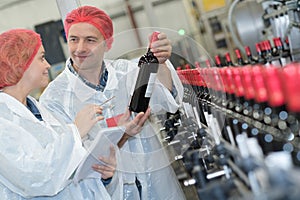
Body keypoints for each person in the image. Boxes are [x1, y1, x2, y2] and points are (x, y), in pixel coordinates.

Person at [40, 5, 186, 200]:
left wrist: (160, 62)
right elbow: (66, 156)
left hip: (157, 181)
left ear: (107, 44)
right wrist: (120, 134)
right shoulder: (54, 98)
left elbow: (165, 99)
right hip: (106, 191)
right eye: (74, 40)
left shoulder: (128, 71)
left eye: (90, 40)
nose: (80, 48)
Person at [0, 29, 117, 199]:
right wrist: (76, 131)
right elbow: (36, 179)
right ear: (19, 62)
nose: (48, 65)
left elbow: (66, 169)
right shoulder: (4, 121)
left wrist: (101, 174)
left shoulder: (37, 110)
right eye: (41, 58)